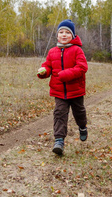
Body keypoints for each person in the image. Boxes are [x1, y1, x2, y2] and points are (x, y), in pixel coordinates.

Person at [37, 19, 88, 155]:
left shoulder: (77, 50)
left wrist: (66, 74)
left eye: (67, 32)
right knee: (59, 113)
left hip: (76, 91)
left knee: (79, 112)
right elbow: (48, 65)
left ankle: (82, 127)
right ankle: (59, 141)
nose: (64, 35)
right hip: (59, 91)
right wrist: (44, 71)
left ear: (73, 35)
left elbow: (82, 67)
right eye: (61, 32)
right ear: (57, 35)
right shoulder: (52, 51)